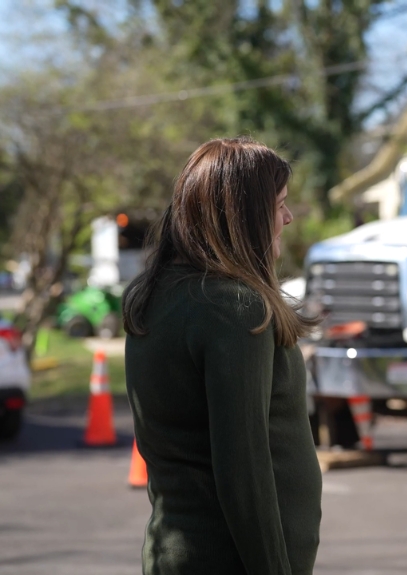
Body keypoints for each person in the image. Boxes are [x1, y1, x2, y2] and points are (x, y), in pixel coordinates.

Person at [122, 137, 323, 574]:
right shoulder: (234, 309)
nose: (287, 218)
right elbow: (243, 469)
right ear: (244, 216)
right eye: (279, 205)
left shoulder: (157, 299)